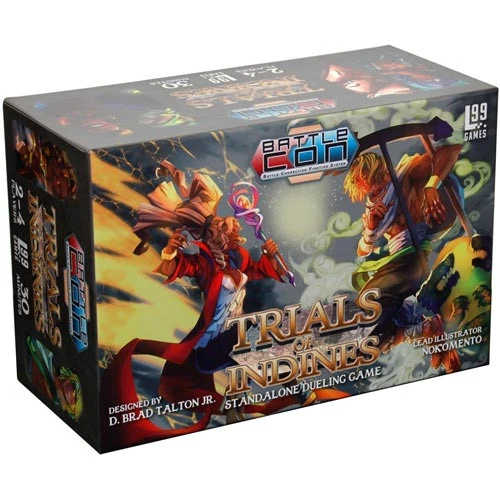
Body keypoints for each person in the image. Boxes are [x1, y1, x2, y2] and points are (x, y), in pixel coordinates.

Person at [344, 145, 462, 372]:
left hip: (411, 261)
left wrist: (431, 186)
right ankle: (427, 329)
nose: (375, 189)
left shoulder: (404, 176)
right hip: (396, 264)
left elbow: (450, 151)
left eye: (377, 180)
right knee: (374, 336)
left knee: (366, 312)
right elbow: (362, 250)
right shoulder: (372, 205)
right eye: (368, 188)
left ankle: (426, 329)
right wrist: (371, 229)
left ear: (380, 171)